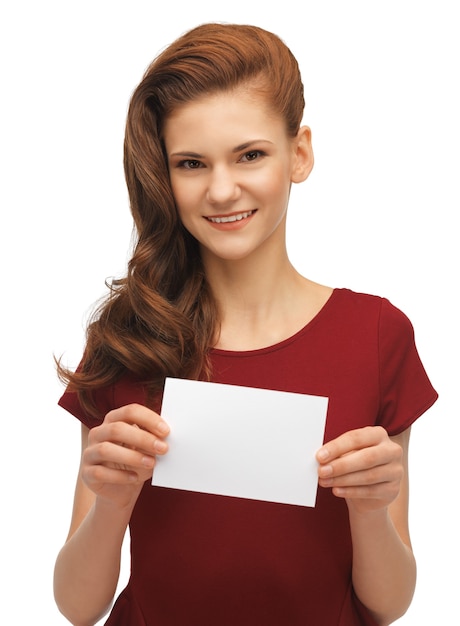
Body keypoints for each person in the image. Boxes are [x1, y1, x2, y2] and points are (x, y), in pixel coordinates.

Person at [53, 22, 438, 626]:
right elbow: (78, 607)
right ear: (166, 174)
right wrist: (110, 501)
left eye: (251, 155)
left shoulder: (377, 335)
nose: (222, 189)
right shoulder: (128, 338)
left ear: (300, 154)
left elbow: (388, 605)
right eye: (191, 163)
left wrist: (371, 507)